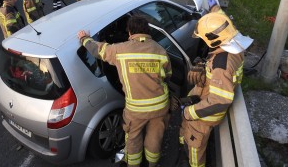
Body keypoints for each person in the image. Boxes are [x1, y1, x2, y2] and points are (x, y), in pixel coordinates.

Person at [77, 16, 172, 167]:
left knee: (133, 139)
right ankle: (152, 164)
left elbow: (97, 50)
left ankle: (133, 165)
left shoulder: (120, 50)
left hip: (136, 110)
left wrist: (84, 38)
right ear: (147, 31)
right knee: (155, 138)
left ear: (130, 33)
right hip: (160, 106)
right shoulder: (160, 51)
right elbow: (167, 76)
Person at [178, 11, 253, 167]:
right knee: (187, 133)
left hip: (203, 117)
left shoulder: (221, 65)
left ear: (213, 38)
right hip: (202, 103)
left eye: (204, 38)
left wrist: (189, 112)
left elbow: (220, 100)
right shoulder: (233, 50)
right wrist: (203, 65)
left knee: (195, 149)